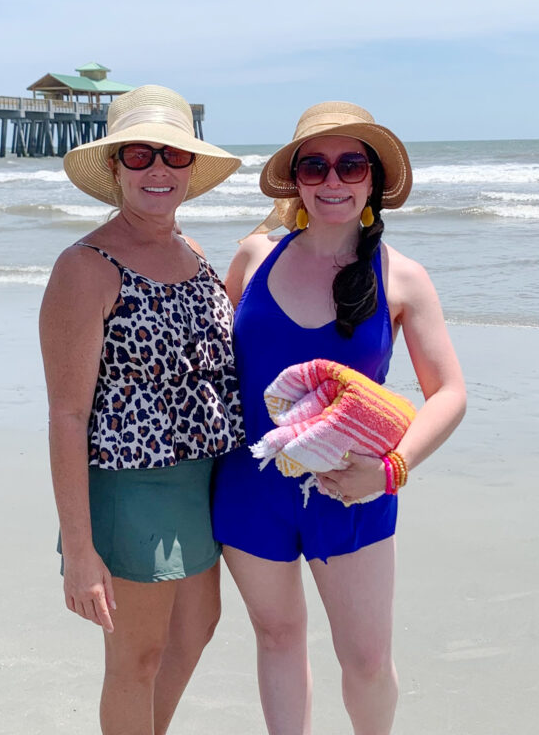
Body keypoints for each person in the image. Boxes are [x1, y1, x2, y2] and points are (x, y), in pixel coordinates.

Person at [212, 101, 467, 735]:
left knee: (367, 661)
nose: (333, 180)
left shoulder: (401, 277)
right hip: (249, 488)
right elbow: (205, 366)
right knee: (276, 636)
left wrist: (390, 470)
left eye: (351, 165)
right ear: (295, 179)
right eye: (316, 165)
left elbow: (450, 393)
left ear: (373, 180)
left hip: (352, 490)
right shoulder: (253, 257)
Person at [39, 85, 244, 735]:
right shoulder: (86, 267)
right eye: (140, 154)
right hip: (130, 489)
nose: (159, 169)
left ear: (190, 168)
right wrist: (79, 546)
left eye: (174, 156)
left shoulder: (200, 256)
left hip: (202, 483)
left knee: (196, 631)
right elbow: (67, 415)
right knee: (137, 655)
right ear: (117, 168)